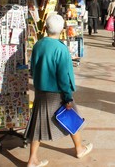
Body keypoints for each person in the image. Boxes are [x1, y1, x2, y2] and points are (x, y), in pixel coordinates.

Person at [25, 14, 92, 167]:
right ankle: (79, 149)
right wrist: (68, 97)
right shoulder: (61, 49)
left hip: (41, 92)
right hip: (58, 93)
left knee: (38, 124)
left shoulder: (38, 45)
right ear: (61, 29)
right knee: (72, 118)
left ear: (46, 27)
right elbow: (64, 75)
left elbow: (33, 69)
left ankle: (32, 159)